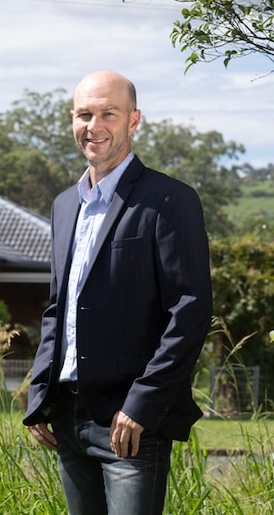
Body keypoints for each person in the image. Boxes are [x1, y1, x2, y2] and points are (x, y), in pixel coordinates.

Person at [23, 69, 213, 515]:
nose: (95, 126)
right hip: (67, 417)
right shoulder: (64, 205)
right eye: (84, 114)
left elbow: (189, 311)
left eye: (109, 113)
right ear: (72, 119)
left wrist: (142, 405)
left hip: (130, 422)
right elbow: (58, 308)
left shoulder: (169, 199)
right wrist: (38, 398)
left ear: (133, 120)